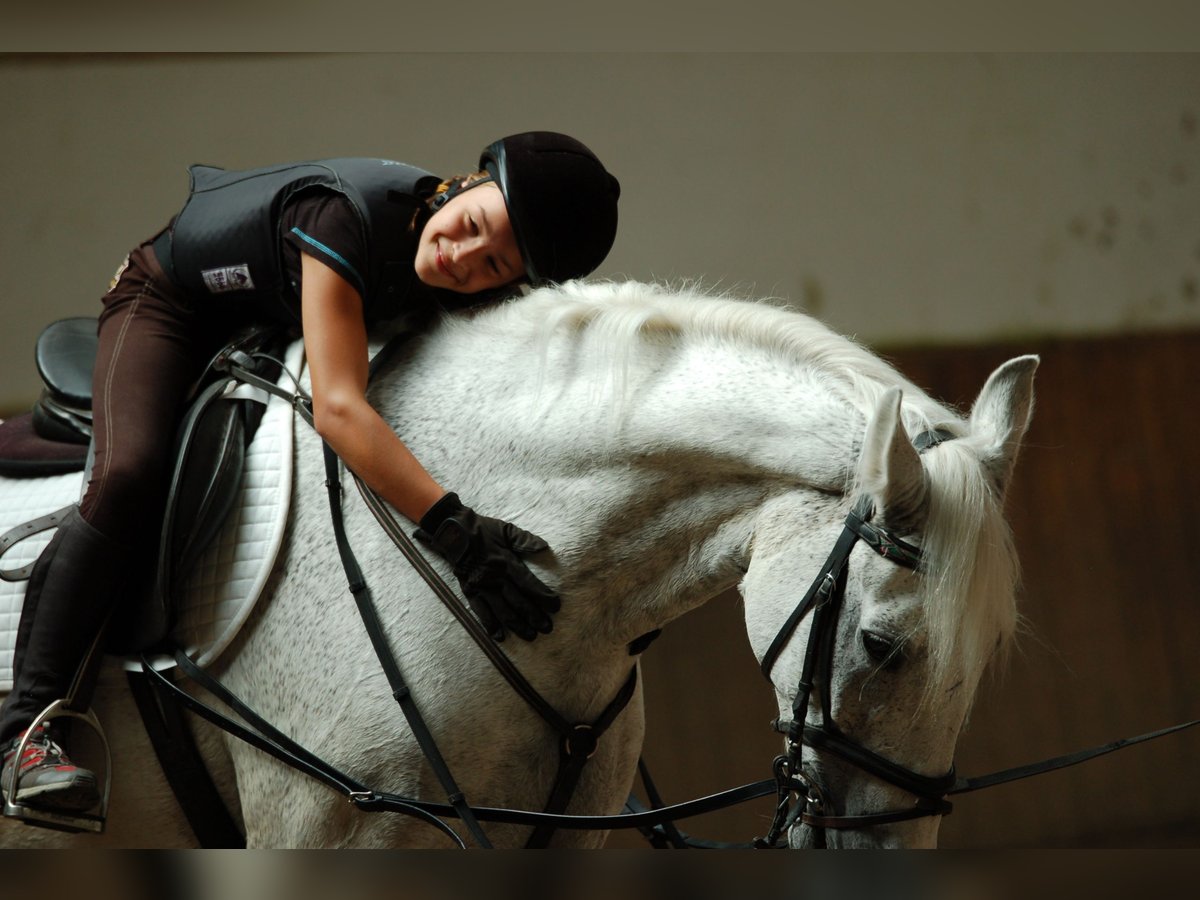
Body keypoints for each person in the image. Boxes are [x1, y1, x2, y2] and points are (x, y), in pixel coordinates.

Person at [0, 131, 621, 815]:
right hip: (172, 303)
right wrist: (455, 530)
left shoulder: (457, 262)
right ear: (461, 184)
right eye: (472, 227)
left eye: (493, 264)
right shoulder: (343, 217)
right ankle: (27, 733)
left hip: (264, 315)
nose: (461, 258)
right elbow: (339, 410)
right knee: (128, 475)